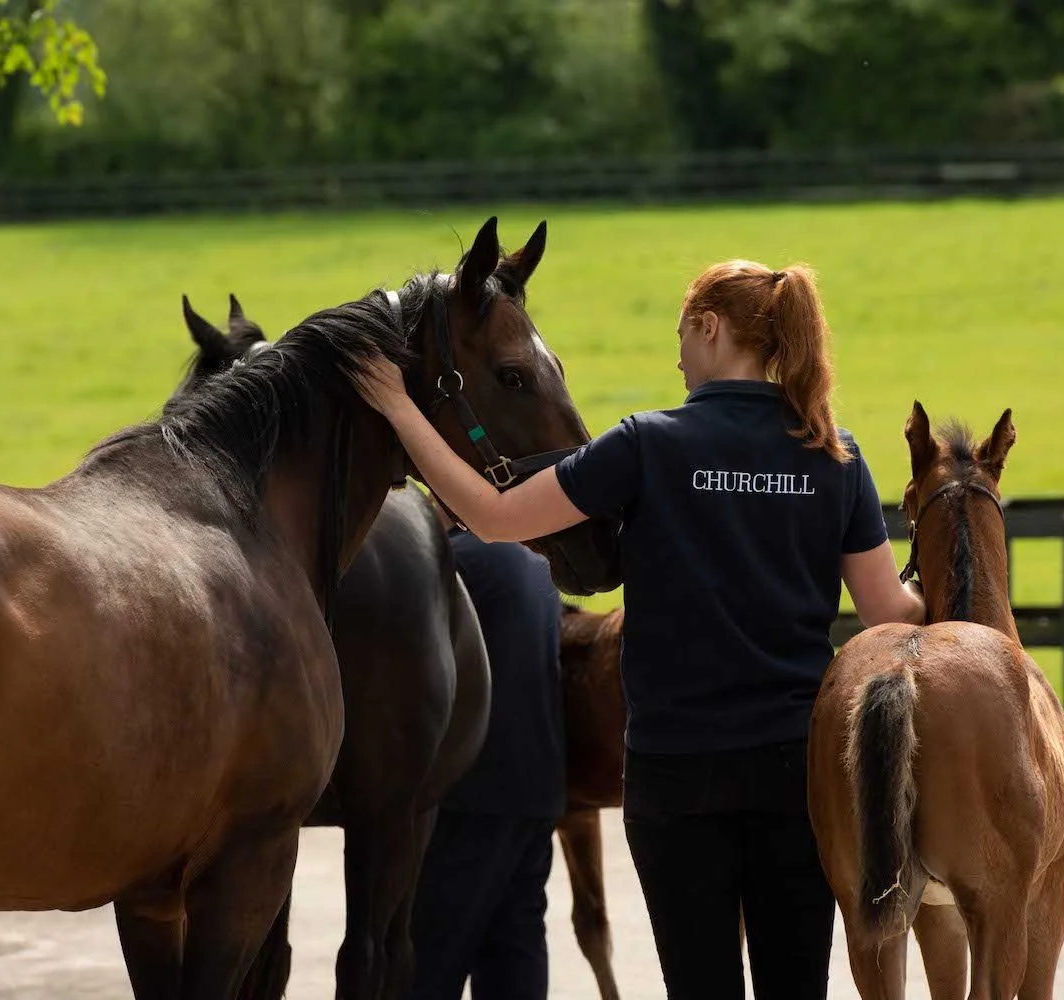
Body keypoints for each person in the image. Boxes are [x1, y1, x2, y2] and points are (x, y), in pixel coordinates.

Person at [359, 260, 925, 999]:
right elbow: (893, 612)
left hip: (675, 770)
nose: (678, 356)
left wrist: (401, 412)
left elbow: (495, 518)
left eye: (682, 336)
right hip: (796, 769)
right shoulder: (833, 453)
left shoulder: (648, 444)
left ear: (710, 327)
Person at [406, 506, 566, 1000]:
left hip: (473, 790)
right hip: (537, 791)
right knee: (515, 951)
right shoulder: (537, 562)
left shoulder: (452, 563)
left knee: (432, 956)